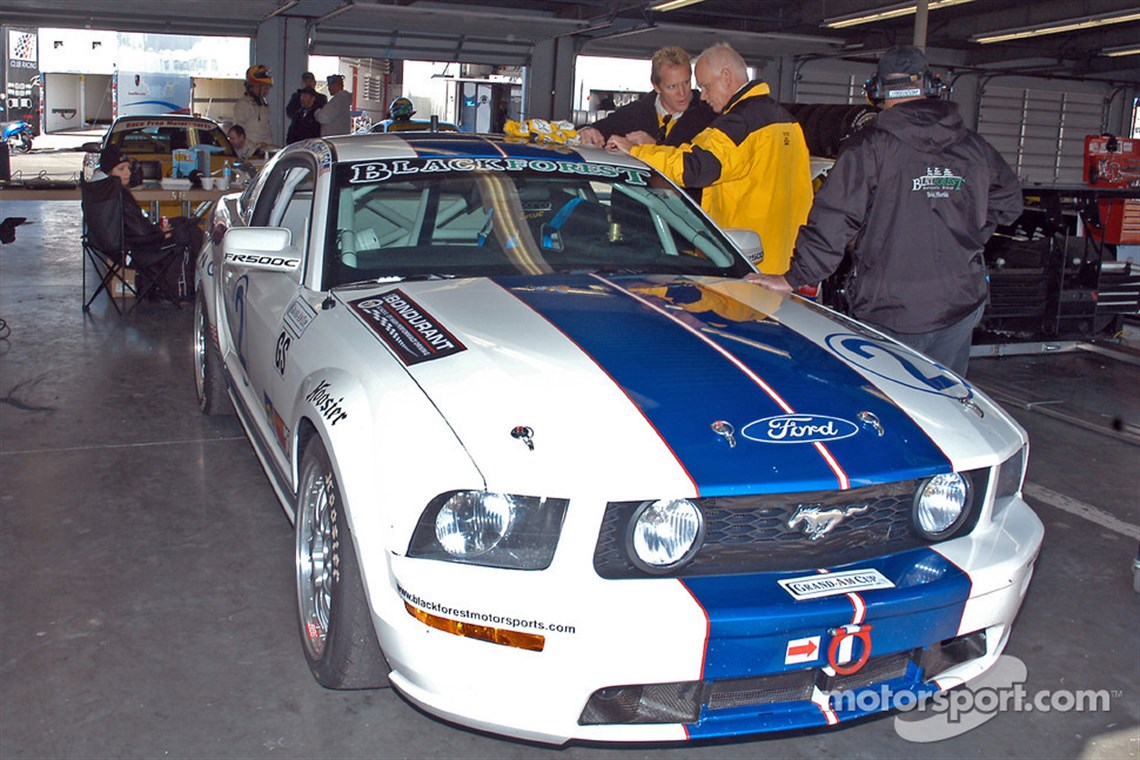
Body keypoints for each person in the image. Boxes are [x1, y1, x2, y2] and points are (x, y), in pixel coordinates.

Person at [749, 45, 1022, 377]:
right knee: (945, 400)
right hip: (959, 303)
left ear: (876, 91)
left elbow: (834, 218)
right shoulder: (974, 147)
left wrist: (795, 277)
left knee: (888, 399)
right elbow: (1009, 202)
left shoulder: (868, 147)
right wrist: (965, 237)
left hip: (891, 309)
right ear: (932, 86)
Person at [607, 43, 812, 275]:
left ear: (726, 77)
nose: (702, 96)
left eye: (705, 86)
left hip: (747, 265)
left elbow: (694, 167)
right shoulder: (789, 122)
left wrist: (638, 152)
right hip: (787, 264)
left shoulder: (739, 123)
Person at [93, 145, 204, 300]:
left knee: (184, 222)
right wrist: (159, 233)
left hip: (113, 245)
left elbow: (133, 226)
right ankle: (180, 291)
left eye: (128, 168)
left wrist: (154, 229)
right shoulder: (119, 193)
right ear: (109, 172)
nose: (128, 173)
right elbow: (140, 231)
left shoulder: (99, 190)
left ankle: (161, 287)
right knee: (187, 232)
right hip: (137, 247)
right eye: (121, 169)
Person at [577, 46, 714, 151]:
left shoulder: (710, 115)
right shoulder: (633, 113)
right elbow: (589, 131)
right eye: (672, 87)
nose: (682, 93)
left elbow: (702, 166)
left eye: (686, 82)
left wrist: (654, 147)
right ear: (656, 86)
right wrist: (587, 131)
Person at [233, 64, 275, 155]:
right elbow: (238, 135)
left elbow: (267, 132)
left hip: (265, 153)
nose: (267, 91)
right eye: (264, 88)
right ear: (253, 87)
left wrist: (271, 148)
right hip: (250, 155)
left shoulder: (264, 105)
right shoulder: (243, 105)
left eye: (267, 88)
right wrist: (255, 149)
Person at [286, 72, 327, 144]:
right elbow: (290, 112)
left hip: (313, 136)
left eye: (310, 81)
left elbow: (322, 116)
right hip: (296, 137)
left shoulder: (321, 98)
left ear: (314, 83)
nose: (308, 84)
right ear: (302, 84)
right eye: (306, 82)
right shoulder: (296, 97)